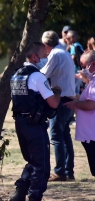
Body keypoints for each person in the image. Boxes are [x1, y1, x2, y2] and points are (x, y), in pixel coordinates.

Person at [10, 42, 61, 201]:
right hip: (34, 124)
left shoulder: (17, 74)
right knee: (42, 166)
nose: (46, 59)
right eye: (44, 56)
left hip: (20, 123)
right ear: (34, 57)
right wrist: (57, 92)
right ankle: (34, 197)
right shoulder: (37, 76)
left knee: (32, 161)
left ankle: (19, 194)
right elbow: (53, 103)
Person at [40, 30, 76, 181]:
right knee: (65, 135)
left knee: (55, 135)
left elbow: (43, 74)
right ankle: (68, 171)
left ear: (45, 44)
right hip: (69, 98)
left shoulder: (55, 54)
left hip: (60, 100)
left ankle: (60, 172)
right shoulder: (64, 52)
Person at [64, 50, 95, 177]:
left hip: (92, 135)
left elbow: (91, 104)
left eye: (83, 65)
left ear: (93, 64)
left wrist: (75, 104)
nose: (82, 68)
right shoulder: (92, 81)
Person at [66, 30, 85, 96]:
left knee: (73, 88)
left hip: (75, 70)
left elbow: (73, 57)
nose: (66, 39)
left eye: (68, 38)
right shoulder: (79, 45)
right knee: (77, 88)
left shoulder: (74, 46)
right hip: (80, 70)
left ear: (72, 38)